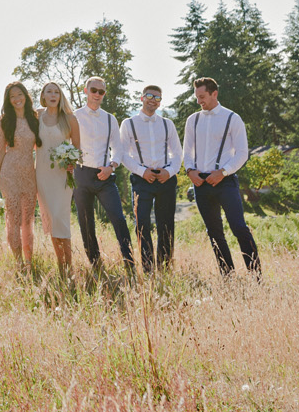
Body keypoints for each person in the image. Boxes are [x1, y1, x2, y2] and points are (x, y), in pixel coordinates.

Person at [182, 77, 260, 277]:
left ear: (214, 93)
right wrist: (190, 171)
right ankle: (228, 276)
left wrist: (223, 172)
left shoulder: (232, 118)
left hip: (226, 182)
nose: (199, 101)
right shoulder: (193, 120)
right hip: (200, 183)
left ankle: (255, 275)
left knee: (239, 228)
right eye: (197, 97)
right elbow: (187, 151)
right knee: (214, 233)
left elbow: (243, 153)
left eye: (202, 96)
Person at [72, 77, 134, 275]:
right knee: (86, 221)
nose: (97, 94)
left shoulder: (110, 119)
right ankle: (96, 266)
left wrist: (112, 166)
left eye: (101, 91)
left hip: (105, 175)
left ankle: (130, 262)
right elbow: (66, 144)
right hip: (81, 174)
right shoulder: (74, 116)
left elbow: (118, 148)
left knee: (119, 218)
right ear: (85, 91)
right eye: (94, 90)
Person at [120, 84, 182, 272]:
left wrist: (169, 172)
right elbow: (123, 154)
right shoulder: (128, 123)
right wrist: (141, 171)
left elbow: (178, 154)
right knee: (142, 225)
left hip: (165, 179)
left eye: (157, 97)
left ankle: (164, 267)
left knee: (166, 225)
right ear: (141, 98)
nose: (153, 100)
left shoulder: (167, 124)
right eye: (149, 96)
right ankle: (148, 269)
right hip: (142, 179)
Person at [0, 81, 40, 268]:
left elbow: (40, 146)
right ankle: (18, 262)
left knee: (28, 219)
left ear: (26, 96)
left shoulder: (34, 118)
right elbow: (0, 150)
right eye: (12, 97)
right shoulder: (4, 121)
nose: (17, 99)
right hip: (9, 173)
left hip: (29, 172)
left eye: (20, 95)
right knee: (14, 217)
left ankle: (29, 260)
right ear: (8, 100)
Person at [35, 81, 81, 276]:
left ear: (60, 96)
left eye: (56, 92)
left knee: (60, 218)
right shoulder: (36, 116)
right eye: (49, 92)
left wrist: (72, 161)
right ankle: (60, 264)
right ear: (43, 95)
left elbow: (78, 149)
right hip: (42, 175)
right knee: (51, 220)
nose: (53, 95)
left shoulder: (69, 119)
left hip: (63, 175)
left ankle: (68, 268)